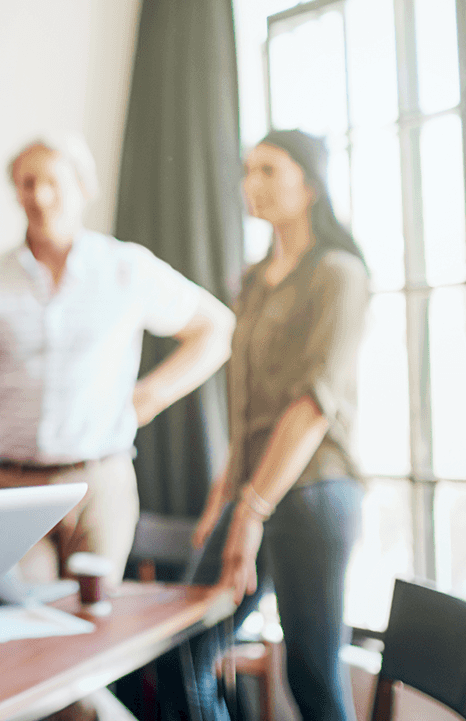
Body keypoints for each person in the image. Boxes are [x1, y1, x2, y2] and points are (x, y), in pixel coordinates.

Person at [0, 136, 235, 587]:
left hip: (100, 485)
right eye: (27, 183)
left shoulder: (126, 268)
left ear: (83, 188)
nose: (39, 195)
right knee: (19, 630)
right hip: (13, 487)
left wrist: (148, 397)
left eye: (52, 181)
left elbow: (216, 329)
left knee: (94, 631)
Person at [186, 130, 369, 721]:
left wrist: (251, 509)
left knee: (311, 673)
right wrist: (223, 499)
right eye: (247, 170)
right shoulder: (253, 282)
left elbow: (313, 403)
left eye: (269, 170)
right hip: (252, 492)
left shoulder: (338, 274)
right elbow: (244, 411)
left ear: (310, 186)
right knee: (188, 646)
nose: (251, 184)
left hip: (315, 493)